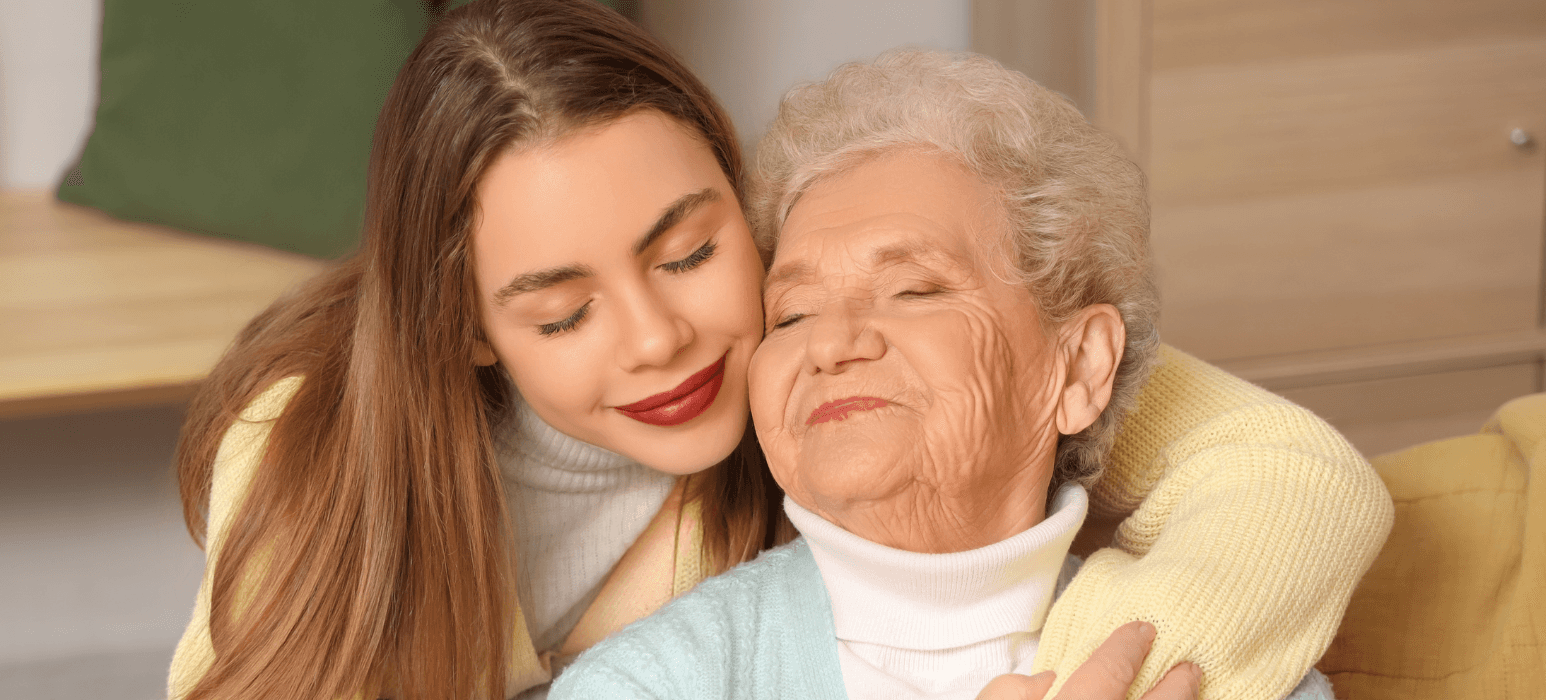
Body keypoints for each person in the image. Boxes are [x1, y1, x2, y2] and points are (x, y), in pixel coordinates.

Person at [164, 3, 1393, 700]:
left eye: (689, 251)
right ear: (470, 331)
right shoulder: (308, 454)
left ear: (733, 194)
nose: (659, 341)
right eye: (559, 312)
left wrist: (1117, 662)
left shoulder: (827, 268)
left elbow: (1293, 479)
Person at [551, 50, 1385, 700]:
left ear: (1080, 366)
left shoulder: (1226, 669)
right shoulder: (646, 684)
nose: (830, 344)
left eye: (914, 290)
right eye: (791, 315)